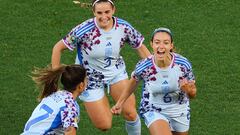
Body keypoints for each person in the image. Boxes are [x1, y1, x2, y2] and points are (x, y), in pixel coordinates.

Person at [51, 0, 151, 134]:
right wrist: (54, 78)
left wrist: (154, 70)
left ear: (113, 10)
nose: (104, 16)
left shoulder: (123, 27)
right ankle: (102, 103)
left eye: (107, 12)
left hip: (116, 73)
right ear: (94, 12)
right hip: (89, 79)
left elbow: (140, 47)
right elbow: (58, 48)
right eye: (99, 13)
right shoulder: (84, 30)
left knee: (131, 113)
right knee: (104, 125)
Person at [111, 27, 197, 135]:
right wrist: (120, 103)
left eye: (165, 43)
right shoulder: (145, 66)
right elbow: (133, 82)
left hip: (179, 109)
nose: (161, 46)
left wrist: (188, 91)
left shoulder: (183, 65)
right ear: (152, 44)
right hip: (153, 108)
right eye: (157, 42)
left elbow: (193, 94)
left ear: (171, 45)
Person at [21, 64, 87, 135]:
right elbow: (70, 133)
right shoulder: (70, 106)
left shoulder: (55, 94)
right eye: (86, 79)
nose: (88, 81)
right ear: (81, 85)